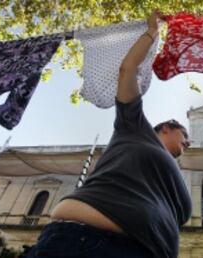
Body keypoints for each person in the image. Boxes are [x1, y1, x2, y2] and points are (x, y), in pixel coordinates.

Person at [25, 11, 192, 258]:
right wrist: (151, 32)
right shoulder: (135, 128)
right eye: (184, 134)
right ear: (166, 128)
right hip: (86, 243)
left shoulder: (175, 173)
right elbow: (127, 71)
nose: (189, 142)